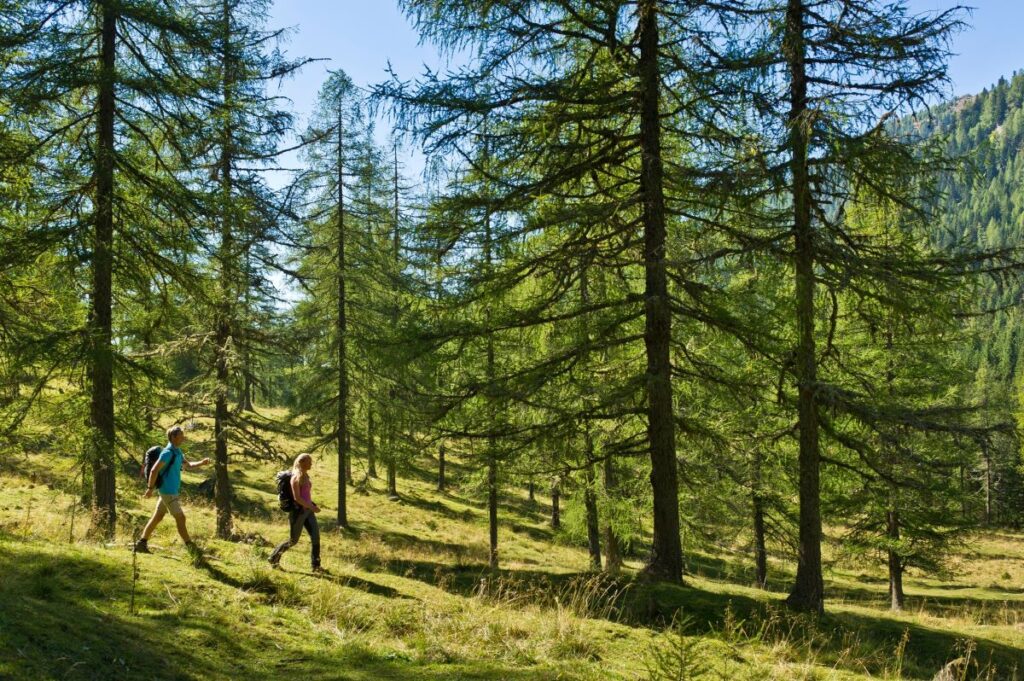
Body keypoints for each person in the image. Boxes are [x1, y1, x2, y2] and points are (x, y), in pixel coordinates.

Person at [134, 425, 210, 554]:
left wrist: (202, 463)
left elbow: (188, 465)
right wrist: (150, 488)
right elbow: (154, 470)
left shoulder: (177, 452)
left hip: (170, 491)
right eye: (181, 435)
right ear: (173, 437)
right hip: (167, 491)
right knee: (181, 518)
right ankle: (191, 548)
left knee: (157, 517)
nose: (183, 438)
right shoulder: (167, 453)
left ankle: (141, 543)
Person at [269, 453, 322, 572]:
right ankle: (273, 558)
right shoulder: (295, 477)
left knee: (316, 537)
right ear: (302, 462)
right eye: (309, 462)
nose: (311, 464)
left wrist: (312, 505)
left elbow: (305, 496)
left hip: (308, 511)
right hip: (298, 513)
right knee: (293, 540)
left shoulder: (306, 476)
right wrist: (312, 507)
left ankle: (316, 566)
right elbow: (297, 498)